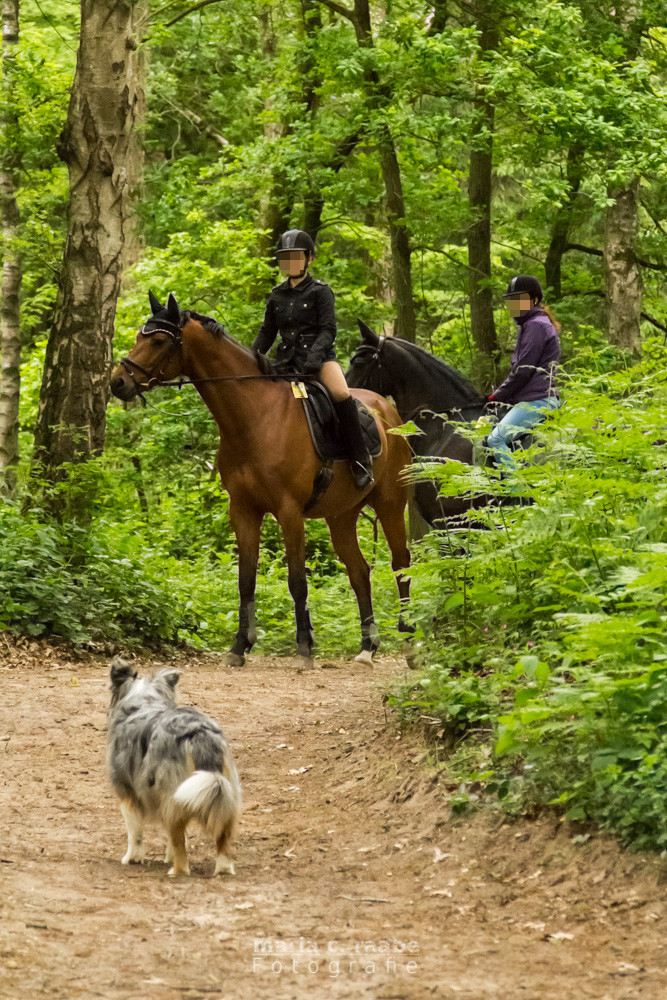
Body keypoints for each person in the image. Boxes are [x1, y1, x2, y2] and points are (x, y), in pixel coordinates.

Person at [253, 229, 374, 489]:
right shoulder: (276, 295)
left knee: (341, 394)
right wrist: (253, 358)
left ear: (310, 259)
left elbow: (328, 330)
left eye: (296, 257)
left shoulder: (321, 292)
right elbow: (267, 332)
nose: (291, 262)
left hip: (319, 360)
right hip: (286, 363)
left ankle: (360, 459)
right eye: (286, 257)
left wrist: (313, 359)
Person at [485, 274, 561, 474]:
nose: (513, 304)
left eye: (519, 299)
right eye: (511, 300)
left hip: (538, 401)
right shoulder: (531, 325)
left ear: (534, 299)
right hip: (533, 399)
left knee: (496, 438)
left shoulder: (536, 326)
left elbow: (523, 371)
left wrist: (497, 395)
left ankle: (517, 492)